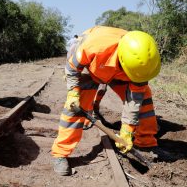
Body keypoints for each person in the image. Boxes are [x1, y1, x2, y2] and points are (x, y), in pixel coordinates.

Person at [52, 26, 161, 176]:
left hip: (120, 74)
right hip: (91, 68)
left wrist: (127, 130)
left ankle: (145, 144)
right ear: (121, 60)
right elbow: (72, 68)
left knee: (144, 102)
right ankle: (60, 153)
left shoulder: (142, 64)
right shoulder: (92, 47)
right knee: (75, 108)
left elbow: (134, 101)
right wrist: (73, 92)